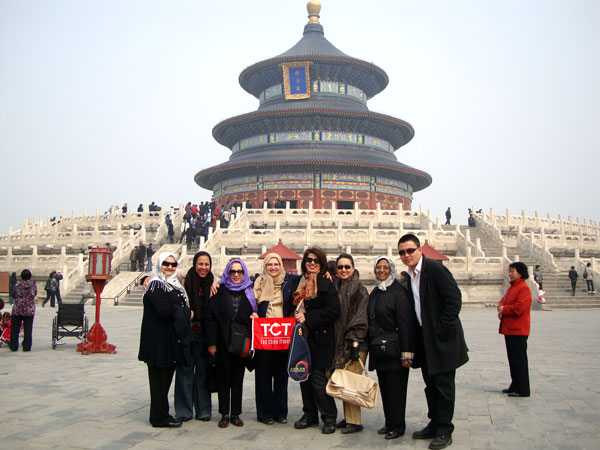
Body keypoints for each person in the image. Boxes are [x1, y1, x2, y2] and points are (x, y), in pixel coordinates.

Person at [398, 233, 468, 450]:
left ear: (420, 250)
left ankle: (445, 428)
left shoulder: (434, 269)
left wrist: (442, 330)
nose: (406, 255)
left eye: (410, 250)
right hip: (425, 340)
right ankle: (435, 422)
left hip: (441, 340)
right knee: (431, 384)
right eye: (402, 252)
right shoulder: (410, 276)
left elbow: (454, 299)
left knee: (444, 385)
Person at [138, 252, 192, 428]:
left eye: (173, 264)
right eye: (166, 264)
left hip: (170, 340)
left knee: (165, 380)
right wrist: (185, 312)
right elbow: (164, 311)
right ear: (159, 265)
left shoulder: (174, 285)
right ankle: (158, 417)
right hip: (157, 342)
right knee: (158, 382)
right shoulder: (155, 285)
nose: (169, 267)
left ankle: (162, 414)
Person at [293, 247, 341, 435]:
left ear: (321, 264)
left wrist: (308, 318)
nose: (312, 263)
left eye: (316, 261)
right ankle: (309, 414)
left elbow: (333, 310)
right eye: (308, 260)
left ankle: (329, 417)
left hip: (320, 338)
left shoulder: (326, 282)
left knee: (318, 380)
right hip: (302, 338)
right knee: (304, 376)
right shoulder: (300, 282)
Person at [368, 256, 416, 440]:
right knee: (386, 389)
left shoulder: (399, 292)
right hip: (380, 350)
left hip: (395, 350)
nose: (381, 270)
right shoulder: (376, 292)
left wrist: (407, 353)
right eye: (378, 267)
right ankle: (389, 422)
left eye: (385, 267)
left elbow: (405, 324)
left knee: (396, 389)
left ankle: (398, 425)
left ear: (392, 269)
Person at [206, 259, 258, 428]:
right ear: (228, 273)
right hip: (222, 342)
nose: (236, 275)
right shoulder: (219, 291)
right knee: (223, 378)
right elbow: (211, 319)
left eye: (239, 272)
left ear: (244, 273)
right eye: (233, 272)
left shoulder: (250, 292)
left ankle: (236, 413)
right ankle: (224, 413)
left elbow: (257, 313)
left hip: (241, 343)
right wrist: (212, 344)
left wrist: (255, 318)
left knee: (237, 379)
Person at [253, 253, 301, 425]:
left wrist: (327, 272)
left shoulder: (289, 282)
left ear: (281, 265)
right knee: (263, 375)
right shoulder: (257, 282)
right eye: (269, 265)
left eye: (276, 264)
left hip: (283, 336)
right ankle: (265, 413)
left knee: (281, 375)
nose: (273, 267)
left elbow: (307, 278)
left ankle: (280, 411)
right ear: (265, 266)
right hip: (264, 336)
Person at [331, 254, 369, 434]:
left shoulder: (360, 290)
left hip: (355, 343)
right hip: (340, 341)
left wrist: (354, 341)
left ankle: (354, 422)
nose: (344, 270)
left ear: (353, 268)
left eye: (347, 267)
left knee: (351, 381)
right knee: (344, 381)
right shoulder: (336, 287)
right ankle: (348, 418)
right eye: (340, 267)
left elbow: (360, 318)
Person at [177, 251, 215, 422]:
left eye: (206, 264)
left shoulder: (212, 282)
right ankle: (184, 410)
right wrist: (145, 278)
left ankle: (203, 409)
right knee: (185, 371)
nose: (203, 267)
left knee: (203, 372)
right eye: (200, 264)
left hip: (204, 333)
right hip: (187, 332)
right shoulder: (184, 280)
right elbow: (165, 273)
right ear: (194, 264)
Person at [498, 262, 532, 398]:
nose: (510, 274)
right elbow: (503, 301)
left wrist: (504, 309)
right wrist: (501, 307)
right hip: (510, 329)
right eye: (510, 271)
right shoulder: (512, 287)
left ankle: (523, 389)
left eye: (513, 271)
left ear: (521, 273)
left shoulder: (524, 289)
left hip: (518, 330)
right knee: (513, 359)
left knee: (519, 360)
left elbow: (519, 308)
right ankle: (515, 384)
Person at [10, 269, 37, 352]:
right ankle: (27, 347)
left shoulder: (17, 285)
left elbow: (13, 295)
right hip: (29, 310)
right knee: (28, 329)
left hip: (18, 309)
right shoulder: (33, 285)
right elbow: (34, 294)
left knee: (15, 329)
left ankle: (14, 346)